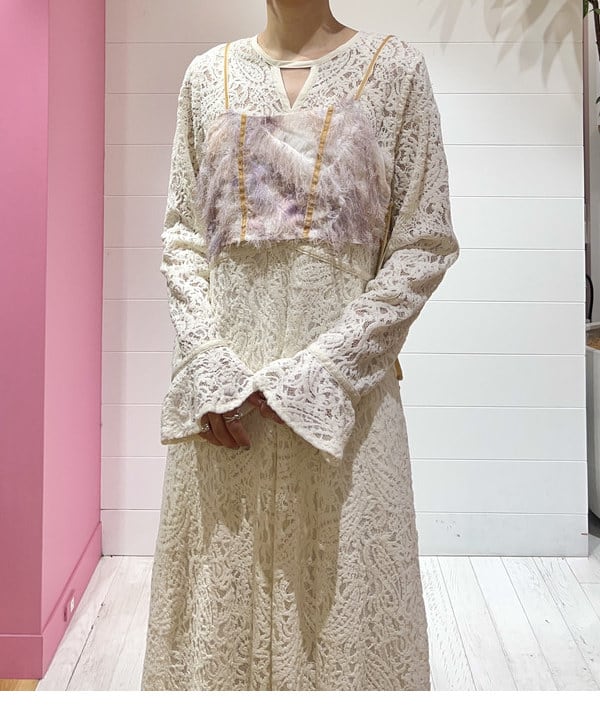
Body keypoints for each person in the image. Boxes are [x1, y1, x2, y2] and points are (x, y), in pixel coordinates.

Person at [141, 0, 460, 691]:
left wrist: (320, 376)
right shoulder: (208, 77)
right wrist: (209, 369)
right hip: (226, 414)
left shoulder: (395, 72)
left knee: (343, 622)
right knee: (219, 621)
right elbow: (183, 238)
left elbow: (422, 242)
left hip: (344, 410)